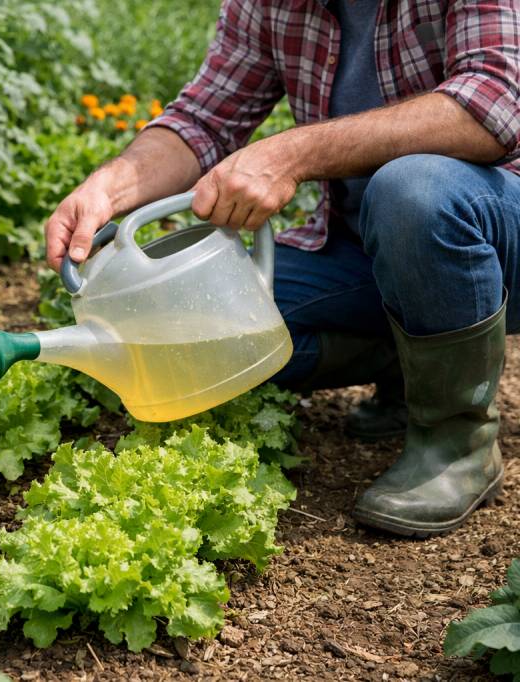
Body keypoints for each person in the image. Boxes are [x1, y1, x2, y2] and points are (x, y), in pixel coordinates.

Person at [45, 0, 520, 537]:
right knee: (214, 324)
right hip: (369, 248)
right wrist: (110, 187)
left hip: (499, 230)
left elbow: (492, 104)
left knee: (414, 190)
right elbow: (204, 120)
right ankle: (410, 364)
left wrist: (290, 154)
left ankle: (459, 443)